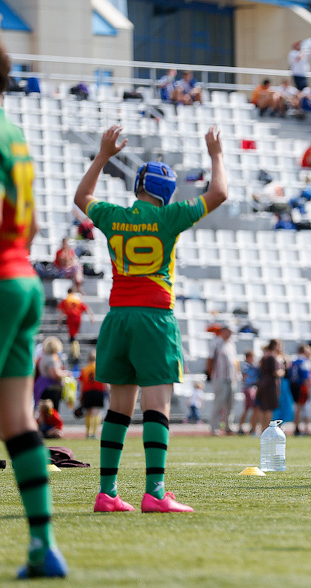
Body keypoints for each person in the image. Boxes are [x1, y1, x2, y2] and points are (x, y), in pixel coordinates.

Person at [74, 123, 228, 514]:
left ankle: (107, 493)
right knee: (157, 406)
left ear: (138, 188)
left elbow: (82, 196)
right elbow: (219, 193)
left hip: (117, 318)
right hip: (155, 318)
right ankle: (155, 492)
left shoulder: (113, 216)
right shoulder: (169, 218)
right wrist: (215, 154)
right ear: (167, 192)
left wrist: (104, 154)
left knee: (118, 408)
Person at [0, 31, 68, 579]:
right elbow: (27, 225)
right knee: (17, 420)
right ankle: (42, 546)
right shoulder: (13, 134)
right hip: (23, 280)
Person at [207, 325, 239, 436]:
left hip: (231, 378)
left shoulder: (231, 344)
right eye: (229, 331)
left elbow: (235, 361)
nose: (230, 334)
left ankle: (228, 426)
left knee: (230, 404)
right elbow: (210, 360)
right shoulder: (216, 343)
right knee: (219, 403)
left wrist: (236, 374)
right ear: (223, 331)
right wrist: (211, 374)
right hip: (219, 377)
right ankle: (214, 427)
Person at [255, 340, 284, 432]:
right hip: (270, 385)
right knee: (268, 409)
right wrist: (282, 372)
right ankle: (266, 429)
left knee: (264, 408)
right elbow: (275, 372)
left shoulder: (265, 357)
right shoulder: (272, 357)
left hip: (263, 384)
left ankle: (262, 429)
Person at [34, 337, 70, 412]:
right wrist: (65, 374)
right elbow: (54, 374)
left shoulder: (43, 357)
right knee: (52, 411)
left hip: (42, 385)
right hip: (50, 387)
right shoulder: (51, 359)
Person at [288, 345, 311, 436]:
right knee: (304, 406)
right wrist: (308, 389)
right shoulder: (304, 361)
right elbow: (306, 377)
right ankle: (305, 428)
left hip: (293, 385)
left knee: (297, 407)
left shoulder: (294, 361)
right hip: (302, 385)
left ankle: (297, 427)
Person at [78, 351, 106, 439]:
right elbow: (105, 383)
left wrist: (80, 395)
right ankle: (94, 432)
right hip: (98, 392)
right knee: (96, 412)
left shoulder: (84, 369)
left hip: (87, 392)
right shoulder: (99, 368)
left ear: (88, 359)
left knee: (88, 412)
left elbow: (81, 384)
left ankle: (88, 432)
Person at [237, 350, 259, 435]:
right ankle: (243, 426)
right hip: (249, 388)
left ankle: (249, 426)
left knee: (251, 409)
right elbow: (245, 377)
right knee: (250, 408)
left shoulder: (250, 366)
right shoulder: (246, 366)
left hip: (251, 388)